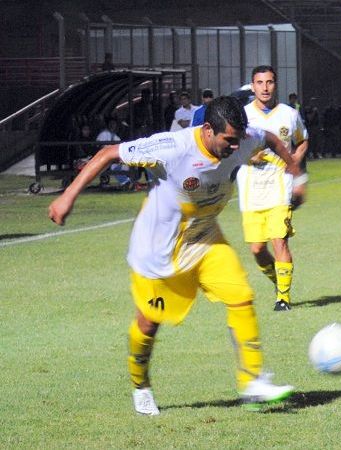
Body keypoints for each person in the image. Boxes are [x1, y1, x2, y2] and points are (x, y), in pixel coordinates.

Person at [48, 96, 301, 415]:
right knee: (149, 323)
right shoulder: (172, 147)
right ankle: (140, 385)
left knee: (241, 297)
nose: (236, 148)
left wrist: (295, 172)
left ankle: (252, 382)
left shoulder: (244, 138)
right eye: (229, 141)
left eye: (239, 140)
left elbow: (272, 139)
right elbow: (108, 152)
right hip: (159, 250)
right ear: (208, 130)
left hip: (205, 239)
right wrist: (68, 197)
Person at [237, 65, 309, 312]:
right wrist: (247, 158)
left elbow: (302, 140)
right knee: (257, 249)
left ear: (275, 85)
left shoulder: (289, 114)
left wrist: (294, 161)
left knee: (280, 241)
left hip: (279, 188)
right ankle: (280, 281)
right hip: (250, 191)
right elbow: (230, 147)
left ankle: (283, 298)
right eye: (259, 83)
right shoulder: (242, 116)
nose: (265, 87)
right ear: (252, 85)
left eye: (269, 82)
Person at [96, 117, 131, 188]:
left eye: (114, 124)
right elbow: (99, 146)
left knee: (123, 166)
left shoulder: (117, 137)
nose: (112, 125)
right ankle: (125, 182)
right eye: (111, 123)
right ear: (108, 124)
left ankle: (127, 182)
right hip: (103, 157)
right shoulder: (103, 134)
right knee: (113, 166)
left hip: (115, 159)